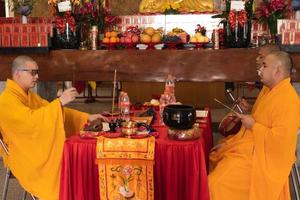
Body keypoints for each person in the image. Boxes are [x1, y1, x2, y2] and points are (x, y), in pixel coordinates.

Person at [0, 55, 107, 200]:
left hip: (33, 145)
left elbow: (49, 110)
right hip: (24, 154)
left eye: (37, 72)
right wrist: (59, 102)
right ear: (18, 73)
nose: (37, 76)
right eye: (32, 72)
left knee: (74, 154)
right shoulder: (6, 101)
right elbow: (31, 122)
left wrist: (86, 117)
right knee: (68, 158)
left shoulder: (29, 96)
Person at [209, 51, 300, 200]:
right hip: (250, 145)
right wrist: (250, 110)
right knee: (215, 154)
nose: (259, 70)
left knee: (214, 184)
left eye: (264, 66)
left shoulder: (289, 101)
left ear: (277, 70)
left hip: (264, 159)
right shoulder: (268, 90)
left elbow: (279, 143)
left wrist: (253, 125)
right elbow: (265, 117)